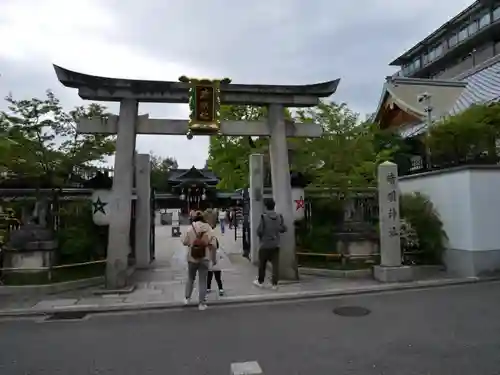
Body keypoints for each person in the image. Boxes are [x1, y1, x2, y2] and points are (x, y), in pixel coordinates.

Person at [181, 211, 218, 310]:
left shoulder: (190, 228)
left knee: (190, 278)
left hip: (192, 258)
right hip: (204, 258)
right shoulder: (208, 229)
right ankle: (202, 303)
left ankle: (187, 298)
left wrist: (192, 242)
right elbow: (214, 245)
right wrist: (213, 259)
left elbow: (184, 241)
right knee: (202, 281)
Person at [253, 198, 287, 290]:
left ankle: (260, 281)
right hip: (275, 244)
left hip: (265, 244)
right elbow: (283, 229)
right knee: (275, 265)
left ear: (266, 206)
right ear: (274, 206)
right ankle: (274, 284)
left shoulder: (263, 217)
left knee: (262, 264)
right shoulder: (279, 217)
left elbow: (259, 231)